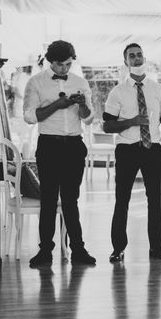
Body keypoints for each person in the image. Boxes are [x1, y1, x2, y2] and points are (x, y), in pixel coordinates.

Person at [23, 40, 96, 266]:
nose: (65, 69)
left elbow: (89, 117)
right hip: (49, 146)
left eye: (69, 64)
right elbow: (29, 117)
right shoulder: (36, 82)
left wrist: (82, 105)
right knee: (48, 200)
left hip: (74, 145)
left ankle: (78, 250)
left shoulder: (80, 82)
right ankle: (45, 251)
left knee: (71, 200)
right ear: (50, 61)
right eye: (61, 65)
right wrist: (58, 104)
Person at [102, 43, 161, 263]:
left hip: (153, 149)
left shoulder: (158, 89)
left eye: (139, 54)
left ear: (145, 58)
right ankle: (118, 249)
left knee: (155, 200)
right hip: (127, 149)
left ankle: (157, 248)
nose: (136, 58)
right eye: (131, 56)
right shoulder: (118, 91)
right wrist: (132, 122)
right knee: (122, 199)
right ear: (126, 62)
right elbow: (107, 126)